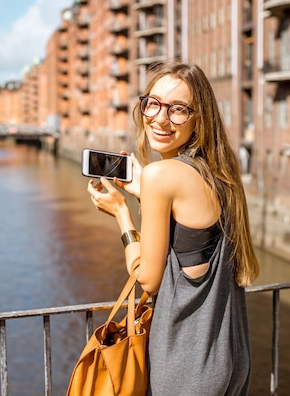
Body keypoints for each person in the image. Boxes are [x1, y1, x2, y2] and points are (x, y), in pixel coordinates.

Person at [87, 60, 260, 395]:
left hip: (185, 368)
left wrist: (122, 214)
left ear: (199, 119)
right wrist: (146, 196)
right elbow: (189, 236)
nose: (160, 118)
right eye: (153, 104)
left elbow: (148, 280)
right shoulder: (220, 173)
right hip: (231, 358)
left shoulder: (160, 176)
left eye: (179, 109)